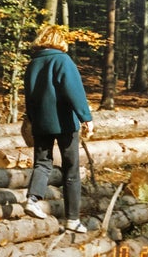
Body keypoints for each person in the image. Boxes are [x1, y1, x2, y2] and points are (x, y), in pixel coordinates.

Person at [23, 25, 94, 233]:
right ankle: (72, 220)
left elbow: (29, 97)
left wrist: (33, 120)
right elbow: (74, 91)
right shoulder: (62, 60)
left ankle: (32, 199)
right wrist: (86, 117)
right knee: (71, 169)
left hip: (41, 123)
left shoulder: (33, 64)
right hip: (64, 123)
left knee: (42, 163)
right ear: (59, 41)